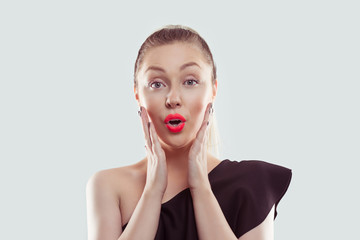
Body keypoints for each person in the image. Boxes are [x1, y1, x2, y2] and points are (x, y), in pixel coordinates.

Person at [86, 25, 292, 240]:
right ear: (137, 94)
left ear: (213, 90)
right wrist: (153, 191)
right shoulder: (108, 186)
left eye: (190, 81)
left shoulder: (252, 182)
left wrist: (201, 188)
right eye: (156, 84)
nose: (173, 98)